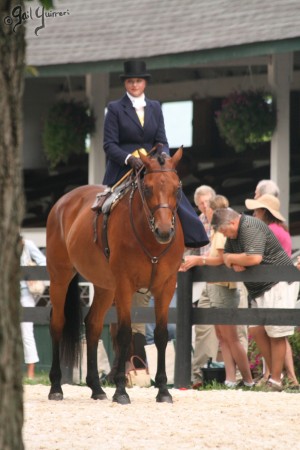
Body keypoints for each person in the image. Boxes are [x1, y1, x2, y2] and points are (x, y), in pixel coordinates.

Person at [102, 59, 208, 249]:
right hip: (124, 168)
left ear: (145, 83)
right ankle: (103, 241)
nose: (135, 85)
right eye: (131, 81)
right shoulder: (115, 108)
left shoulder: (155, 107)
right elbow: (109, 145)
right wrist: (129, 159)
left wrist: (164, 158)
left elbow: (162, 141)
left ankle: (193, 237)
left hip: (152, 165)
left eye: (139, 81)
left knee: (173, 192)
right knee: (106, 205)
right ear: (125, 83)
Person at [211, 208, 299, 391]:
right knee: (257, 331)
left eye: (223, 231)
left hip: (278, 282)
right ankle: (277, 376)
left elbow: (253, 258)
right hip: (260, 288)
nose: (224, 235)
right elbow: (226, 257)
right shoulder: (233, 236)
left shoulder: (250, 226)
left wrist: (234, 259)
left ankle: (275, 381)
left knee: (276, 333)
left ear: (232, 223)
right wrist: (234, 260)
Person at [181, 196, 254, 388]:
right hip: (216, 285)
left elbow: (221, 259)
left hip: (223, 286)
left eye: (207, 208)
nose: (205, 211)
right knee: (222, 336)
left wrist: (200, 261)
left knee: (230, 337)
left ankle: (247, 379)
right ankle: (231, 378)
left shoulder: (221, 232)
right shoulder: (217, 231)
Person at [245, 194, 300, 387]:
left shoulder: (268, 231)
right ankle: (287, 377)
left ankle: (276, 376)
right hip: (278, 282)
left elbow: (256, 255)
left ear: (263, 212)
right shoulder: (280, 230)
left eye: (256, 210)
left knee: (276, 333)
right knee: (277, 333)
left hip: (274, 283)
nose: (253, 213)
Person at [188, 185, 219, 387]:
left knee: (231, 329)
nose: (203, 206)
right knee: (203, 327)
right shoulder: (198, 221)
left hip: (222, 276)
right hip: (205, 278)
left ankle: (238, 377)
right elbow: (193, 249)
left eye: (206, 202)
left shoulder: (223, 218)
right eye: (200, 203)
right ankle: (200, 373)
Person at [20, 238, 46, 379]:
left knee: (27, 333)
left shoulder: (26, 244)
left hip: (25, 295)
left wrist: (32, 274)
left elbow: (43, 262)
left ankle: (30, 374)